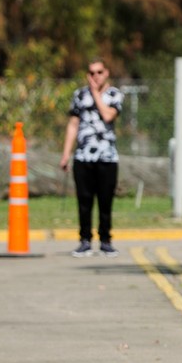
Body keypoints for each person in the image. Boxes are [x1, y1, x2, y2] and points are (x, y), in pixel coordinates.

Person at [59, 58, 123, 258]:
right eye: (91, 72)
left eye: (99, 72)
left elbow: (108, 116)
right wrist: (65, 154)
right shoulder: (79, 95)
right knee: (84, 201)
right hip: (83, 156)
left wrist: (95, 92)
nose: (95, 76)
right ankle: (84, 240)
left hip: (107, 157)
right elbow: (73, 125)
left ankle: (105, 241)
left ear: (107, 73)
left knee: (105, 201)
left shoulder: (114, 95)